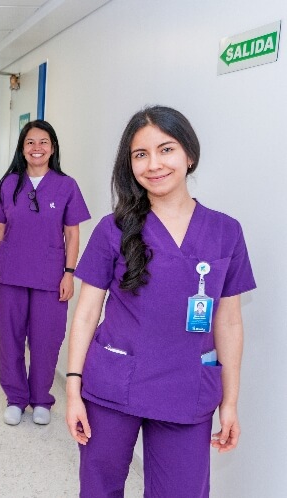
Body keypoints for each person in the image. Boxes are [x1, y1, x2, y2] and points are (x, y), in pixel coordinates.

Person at [65, 106, 256, 497]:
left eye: (165, 149)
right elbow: (86, 314)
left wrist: (231, 402)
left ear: (189, 154)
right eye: (140, 154)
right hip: (114, 385)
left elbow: (230, 322)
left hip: (187, 389)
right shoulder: (114, 227)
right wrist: (72, 389)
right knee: (99, 488)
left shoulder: (225, 232)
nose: (154, 164)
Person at [0, 120, 90, 426]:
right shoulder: (9, 184)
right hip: (10, 274)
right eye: (30, 142)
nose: (37, 148)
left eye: (43, 142)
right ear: (22, 148)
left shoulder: (66, 185)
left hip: (50, 278)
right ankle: (16, 398)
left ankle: (41, 398)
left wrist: (69, 273)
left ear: (53, 148)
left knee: (47, 339)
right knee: (10, 339)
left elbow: (73, 232)